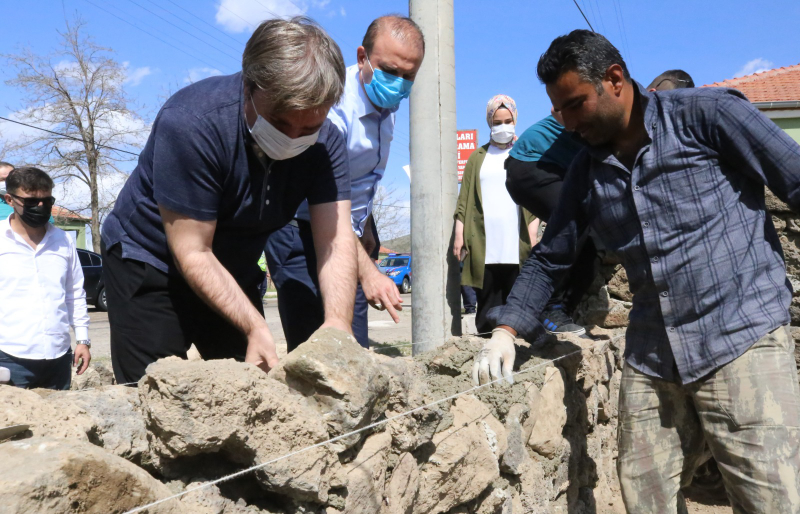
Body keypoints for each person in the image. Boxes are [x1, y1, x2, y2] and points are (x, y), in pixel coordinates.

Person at [474, 29, 800, 513]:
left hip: (742, 338)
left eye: (575, 104)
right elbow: (551, 256)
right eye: (557, 109)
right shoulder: (586, 171)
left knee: (768, 499)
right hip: (653, 353)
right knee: (644, 493)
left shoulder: (708, 118)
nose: (564, 122)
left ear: (615, 79)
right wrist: (505, 329)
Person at [101, 17, 357, 384]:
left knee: (251, 383)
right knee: (154, 391)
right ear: (249, 86)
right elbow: (193, 251)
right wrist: (255, 326)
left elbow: (334, 239)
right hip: (152, 263)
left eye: (309, 128)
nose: (295, 138)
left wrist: (337, 325)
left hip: (231, 268)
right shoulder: (191, 124)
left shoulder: (326, 144)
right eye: (282, 124)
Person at [266, 15, 424, 350]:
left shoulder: (386, 104)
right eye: (390, 71)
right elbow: (324, 200)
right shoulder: (332, 108)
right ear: (362, 57)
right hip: (300, 229)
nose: (398, 83)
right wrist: (369, 274)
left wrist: (365, 224)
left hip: (347, 233)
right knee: (315, 345)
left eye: (408, 76)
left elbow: (362, 180)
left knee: (352, 344)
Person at [504, 70, 695, 336]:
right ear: (654, 93)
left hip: (557, 170)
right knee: (573, 225)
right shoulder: (614, 103)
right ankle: (544, 308)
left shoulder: (637, 120)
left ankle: (559, 313)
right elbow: (559, 109)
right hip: (531, 165)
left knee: (592, 243)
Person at [454, 95, 539, 335]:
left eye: (507, 120)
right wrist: (459, 234)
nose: (503, 126)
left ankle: (517, 357)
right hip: (484, 244)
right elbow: (464, 200)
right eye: (497, 121)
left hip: (516, 242)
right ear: (489, 123)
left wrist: (533, 229)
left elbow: (536, 194)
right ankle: (483, 359)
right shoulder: (477, 158)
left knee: (517, 306)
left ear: (515, 119)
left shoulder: (525, 153)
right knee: (487, 307)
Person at [0, 167, 91, 389]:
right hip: (10, 358)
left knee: (60, 422)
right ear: (10, 199)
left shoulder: (64, 241)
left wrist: (83, 340)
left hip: (58, 358)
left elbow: (75, 294)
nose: (40, 207)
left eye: (46, 201)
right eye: (31, 201)